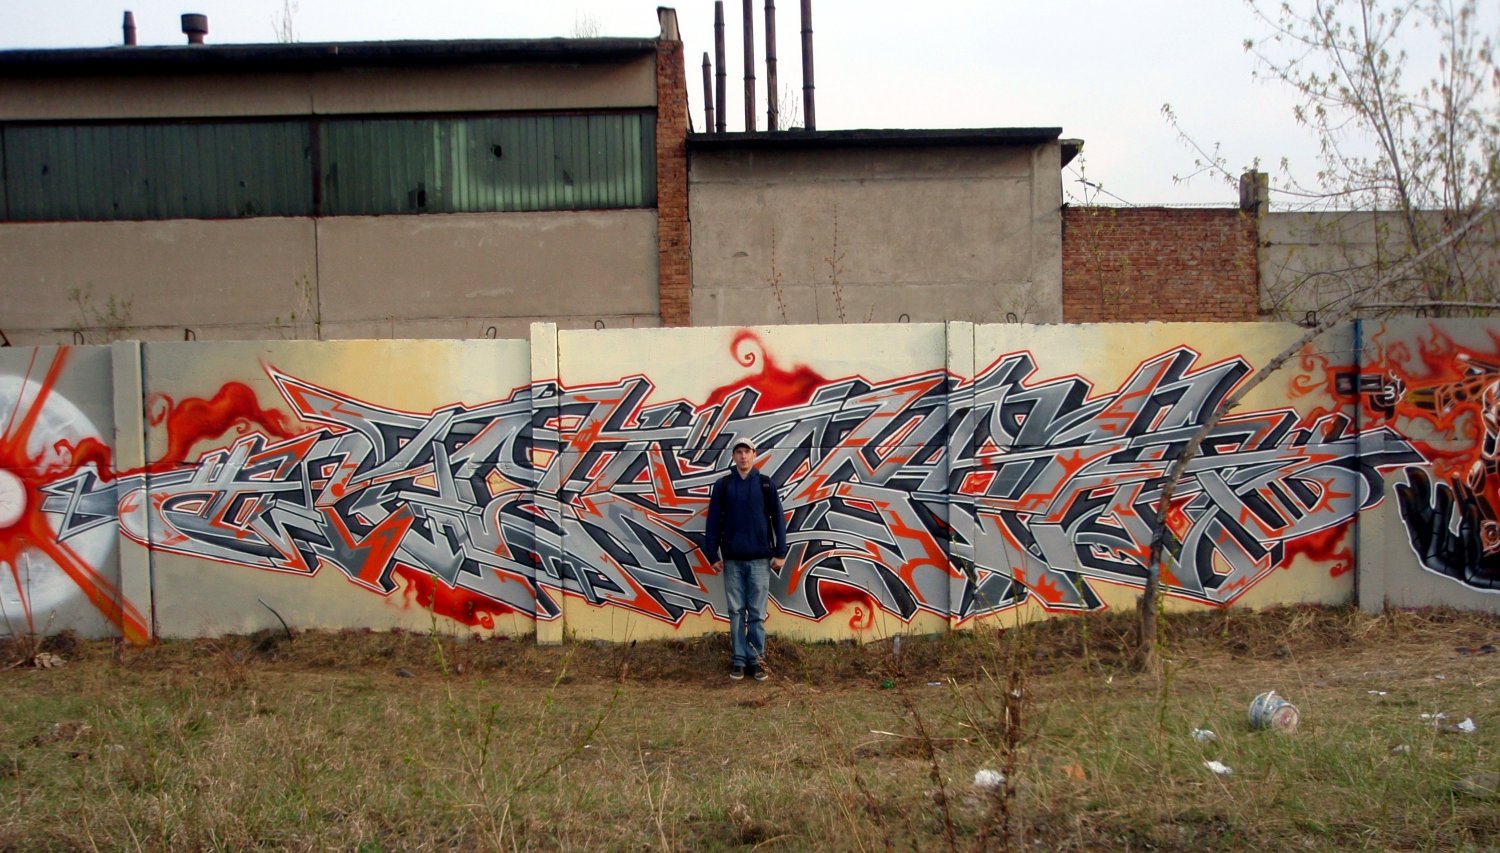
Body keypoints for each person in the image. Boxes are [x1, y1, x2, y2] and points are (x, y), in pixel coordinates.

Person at [703, 438, 788, 681]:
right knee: (736, 612)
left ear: (754, 454)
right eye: (738, 452)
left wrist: (780, 552)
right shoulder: (724, 485)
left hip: (760, 560)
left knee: (757, 614)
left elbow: (778, 519)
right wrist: (712, 555)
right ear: (733, 456)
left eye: (747, 451)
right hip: (732, 560)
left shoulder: (765, 484)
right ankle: (739, 660)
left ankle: (757, 660)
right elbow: (713, 521)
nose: (743, 456)